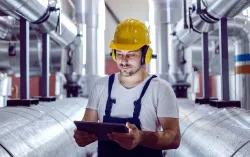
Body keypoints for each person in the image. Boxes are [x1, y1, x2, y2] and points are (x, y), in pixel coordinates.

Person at [74, 18, 181, 157]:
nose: (124, 60)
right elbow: (87, 125)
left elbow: (174, 138)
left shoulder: (161, 89)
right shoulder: (101, 86)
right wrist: (81, 137)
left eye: (131, 54)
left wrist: (141, 137)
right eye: (119, 53)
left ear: (145, 55)